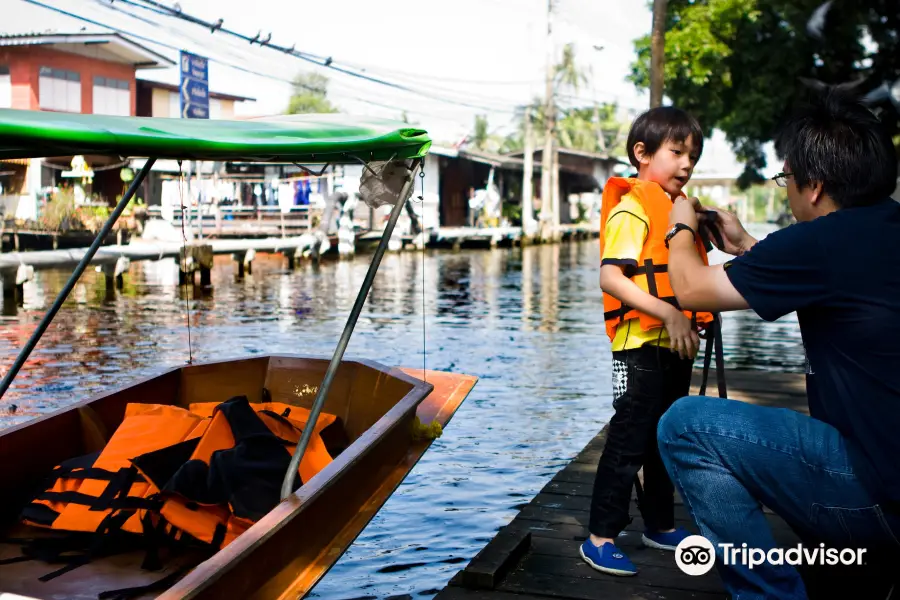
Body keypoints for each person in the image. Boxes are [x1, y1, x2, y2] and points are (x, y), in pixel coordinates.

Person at [657, 88, 900, 599]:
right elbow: (826, 278)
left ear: (813, 186)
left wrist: (678, 224)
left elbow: (691, 287)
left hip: (883, 499)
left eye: (786, 179)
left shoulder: (820, 242)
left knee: (685, 425)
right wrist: (746, 245)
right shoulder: (880, 230)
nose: (786, 190)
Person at [580, 106, 717, 576]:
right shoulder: (633, 208)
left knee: (664, 437)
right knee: (629, 440)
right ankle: (600, 536)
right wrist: (667, 312)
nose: (686, 165)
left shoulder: (680, 212)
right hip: (639, 346)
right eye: (676, 152)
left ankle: (659, 525)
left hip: (674, 346)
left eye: (692, 156)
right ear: (642, 154)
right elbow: (610, 278)